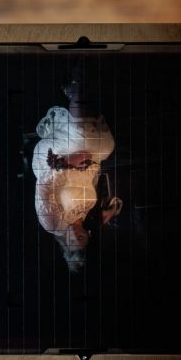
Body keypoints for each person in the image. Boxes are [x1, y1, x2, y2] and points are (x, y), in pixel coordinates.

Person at [31, 66, 122, 272]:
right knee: (105, 147)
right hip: (81, 162)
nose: (76, 239)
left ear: (65, 245)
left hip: (49, 162)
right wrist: (109, 213)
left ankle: (77, 83)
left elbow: (43, 185)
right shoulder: (90, 218)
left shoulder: (53, 224)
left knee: (81, 137)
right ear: (88, 237)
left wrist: (68, 162)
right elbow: (96, 186)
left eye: (72, 245)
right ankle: (82, 89)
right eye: (82, 242)